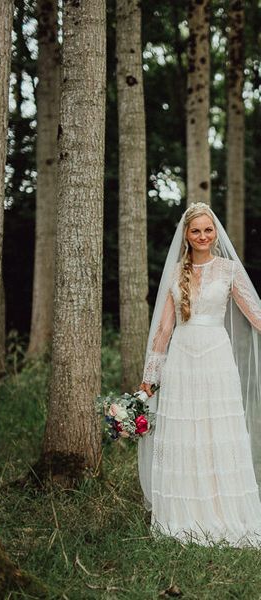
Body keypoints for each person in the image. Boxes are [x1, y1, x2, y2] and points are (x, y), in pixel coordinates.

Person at [138, 202, 261, 547]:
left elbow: (255, 316)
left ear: (216, 233)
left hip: (216, 361)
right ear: (187, 236)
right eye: (196, 230)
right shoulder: (177, 272)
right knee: (185, 431)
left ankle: (223, 509)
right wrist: (149, 381)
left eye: (209, 230)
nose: (203, 236)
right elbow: (163, 329)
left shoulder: (228, 270)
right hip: (182, 360)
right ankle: (185, 512)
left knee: (216, 431)